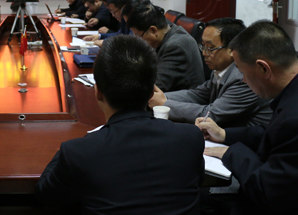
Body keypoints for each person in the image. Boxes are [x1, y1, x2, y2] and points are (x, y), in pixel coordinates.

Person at [35, 35, 204, 214]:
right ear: (151, 93)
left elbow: (46, 195)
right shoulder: (190, 137)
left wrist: (68, 151)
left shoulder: (78, 152)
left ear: (98, 92)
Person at [198, 21, 298, 215]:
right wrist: (224, 134)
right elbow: (274, 134)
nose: (243, 80)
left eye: (242, 72)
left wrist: (231, 153)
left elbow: (267, 192)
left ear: (264, 69)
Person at [149, 18, 272, 127]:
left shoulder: (243, 78)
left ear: (232, 50)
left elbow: (210, 114)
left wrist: (165, 104)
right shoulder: (221, 69)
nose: (204, 53)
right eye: (203, 46)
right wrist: (158, 97)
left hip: (247, 141)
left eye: (210, 48)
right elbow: (197, 94)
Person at [126, 0, 204, 92]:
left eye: (139, 36)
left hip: (180, 98)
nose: (139, 41)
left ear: (153, 30)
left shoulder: (175, 47)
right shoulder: (168, 32)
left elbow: (156, 87)